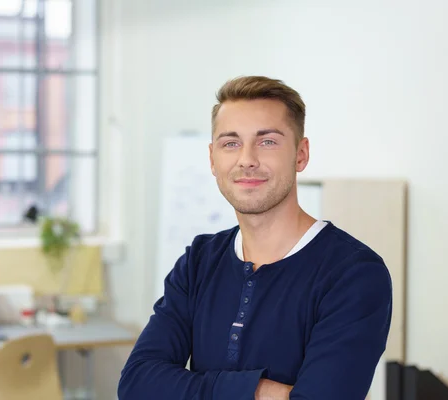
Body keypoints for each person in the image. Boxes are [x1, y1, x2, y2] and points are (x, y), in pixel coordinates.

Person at [117, 76, 393, 400]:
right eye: (230, 143)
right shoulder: (198, 262)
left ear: (301, 154)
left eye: (267, 141)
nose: (246, 159)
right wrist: (257, 391)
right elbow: (137, 384)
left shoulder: (353, 275)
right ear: (212, 159)